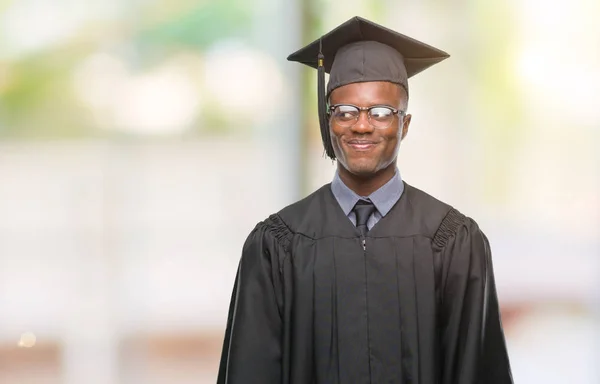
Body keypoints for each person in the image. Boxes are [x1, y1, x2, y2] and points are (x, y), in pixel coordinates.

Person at [217, 16, 513, 384]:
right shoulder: (278, 245)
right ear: (329, 123)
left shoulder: (453, 242)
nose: (361, 125)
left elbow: (475, 372)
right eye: (345, 112)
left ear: (404, 124)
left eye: (381, 113)